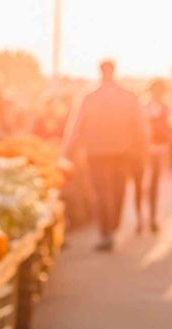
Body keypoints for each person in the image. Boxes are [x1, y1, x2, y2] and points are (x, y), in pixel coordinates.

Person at [63, 60, 148, 251]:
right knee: (116, 191)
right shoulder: (127, 96)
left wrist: (67, 152)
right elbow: (141, 127)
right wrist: (142, 148)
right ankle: (111, 228)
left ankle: (107, 232)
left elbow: (75, 128)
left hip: (99, 152)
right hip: (119, 152)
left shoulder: (90, 97)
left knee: (103, 193)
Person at [131, 79, 172, 234]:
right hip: (141, 151)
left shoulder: (165, 107)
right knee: (139, 185)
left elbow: (167, 130)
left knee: (154, 186)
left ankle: (152, 218)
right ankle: (139, 219)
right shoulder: (143, 106)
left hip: (157, 150)